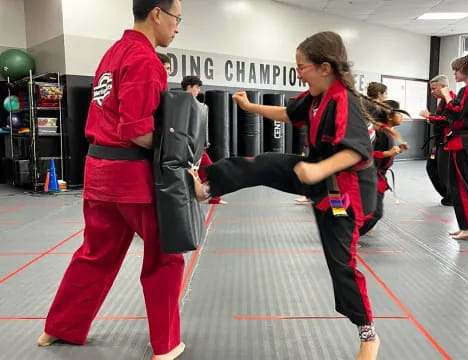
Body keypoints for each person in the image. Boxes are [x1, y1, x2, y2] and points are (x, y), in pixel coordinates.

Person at [195, 31, 380, 360]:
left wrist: (317, 172)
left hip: (344, 194)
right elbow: (288, 114)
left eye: (301, 67)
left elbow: (357, 152)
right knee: (265, 163)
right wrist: (249, 105)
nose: (298, 73)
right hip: (319, 174)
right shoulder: (314, 95)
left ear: (324, 67)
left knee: (341, 263)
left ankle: (368, 333)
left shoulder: (343, 100)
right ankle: (207, 185)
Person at [37, 1, 186, 359]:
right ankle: (166, 345)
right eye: (177, 19)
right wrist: (180, 157)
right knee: (165, 256)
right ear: (157, 14)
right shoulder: (146, 60)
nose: (178, 27)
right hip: (132, 179)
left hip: (99, 173)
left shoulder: (113, 53)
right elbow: (137, 132)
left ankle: (58, 329)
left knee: (95, 255)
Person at [440, 55, 468, 240]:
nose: (454, 73)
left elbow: (457, 113)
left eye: (457, 70)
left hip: (463, 143)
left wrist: (447, 95)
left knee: (461, 186)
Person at [360, 100, 409, 236]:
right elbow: (363, 154)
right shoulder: (378, 132)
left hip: (376, 176)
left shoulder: (386, 132)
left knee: (374, 212)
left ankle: (350, 235)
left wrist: (397, 149)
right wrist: (387, 153)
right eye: (399, 113)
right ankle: (348, 236)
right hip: (369, 176)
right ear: (389, 116)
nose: (402, 117)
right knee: (373, 212)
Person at [181, 75, 227, 205]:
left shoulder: (198, 105)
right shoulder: (180, 105)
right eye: (197, 87)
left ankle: (214, 198)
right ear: (189, 87)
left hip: (198, 147)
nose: (199, 91)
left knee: (210, 170)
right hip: (187, 148)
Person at [419, 75, 455, 206]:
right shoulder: (442, 101)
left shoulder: (451, 99)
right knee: (431, 167)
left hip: (447, 142)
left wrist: (430, 116)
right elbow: (441, 118)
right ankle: (447, 195)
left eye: (434, 88)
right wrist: (431, 118)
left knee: (444, 171)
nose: (432, 92)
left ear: (443, 87)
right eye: (431, 89)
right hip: (438, 142)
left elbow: (447, 119)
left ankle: (451, 197)